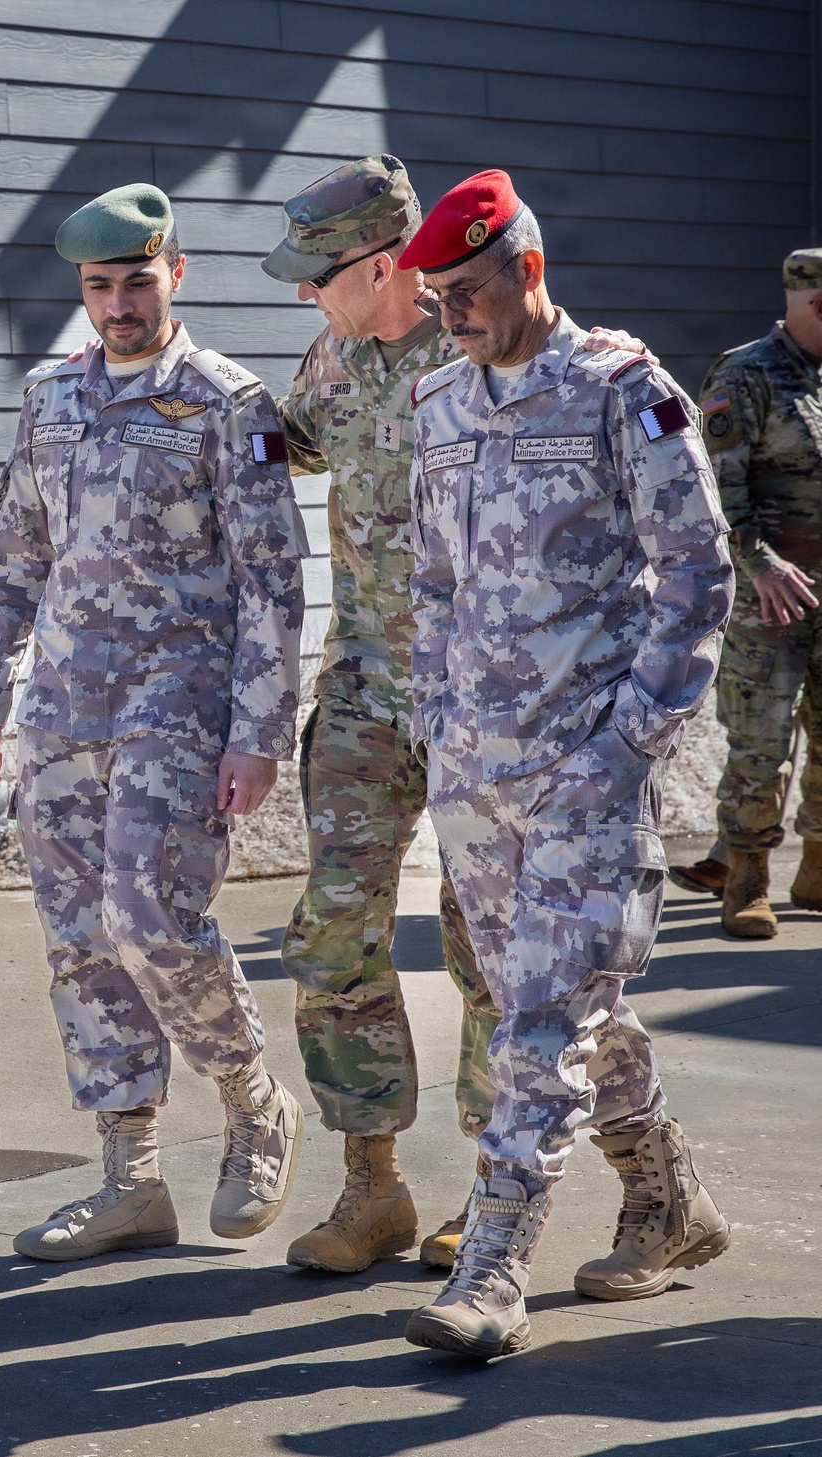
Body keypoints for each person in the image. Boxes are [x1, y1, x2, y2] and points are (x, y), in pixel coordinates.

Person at [260, 154, 656, 1277]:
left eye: (317, 273)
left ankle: (491, 1191)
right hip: (365, 693)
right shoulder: (334, 353)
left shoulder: (484, 352)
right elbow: (276, 444)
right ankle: (370, 1180)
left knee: (492, 952)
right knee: (332, 930)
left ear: (381, 264)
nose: (303, 293)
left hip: (490, 705)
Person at [400, 169, 735, 1359]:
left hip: (586, 769)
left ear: (528, 268)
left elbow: (697, 574)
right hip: (475, 774)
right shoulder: (437, 403)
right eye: (435, 295)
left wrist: (627, 742)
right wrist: (433, 716)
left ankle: (492, 1269)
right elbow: (431, 581)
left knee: (538, 1021)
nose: (451, 315)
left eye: (470, 290)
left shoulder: (620, 390)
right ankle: (669, 1197)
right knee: (561, 1006)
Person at [0, 183, 308, 1261]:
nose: (118, 304)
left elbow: (272, 580)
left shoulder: (226, 403)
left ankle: (254, 1101)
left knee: (153, 918)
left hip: (180, 699)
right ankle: (129, 1179)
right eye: (100, 286)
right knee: (77, 939)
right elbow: (16, 551)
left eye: (137, 281)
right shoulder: (50, 396)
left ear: (176, 276)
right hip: (65, 703)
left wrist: (258, 730)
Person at [667, 249, 822, 937]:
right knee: (761, 745)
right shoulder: (746, 374)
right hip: (770, 598)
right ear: (813, 302)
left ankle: (816, 868)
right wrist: (759, 563)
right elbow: (717, 491)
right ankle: (747, 882)